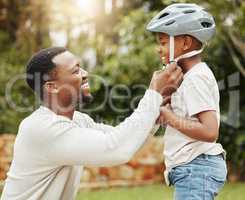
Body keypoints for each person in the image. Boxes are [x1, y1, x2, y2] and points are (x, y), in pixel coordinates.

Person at [1, 47, 183, 200]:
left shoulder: (78, 121)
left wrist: (156, 108)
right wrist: (153, 94)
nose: (85, 74)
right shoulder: (41, 128)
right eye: (75, 70)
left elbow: (127, 141)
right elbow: (116, 149)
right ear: (52, 87)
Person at [147, 3, 227, 200]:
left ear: (185, 43)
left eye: (164, 42)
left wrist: (169, 116)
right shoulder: (186, 77)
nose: (159, 49)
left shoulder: (195, 78)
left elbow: (210, 131)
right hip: (194, 168)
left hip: (197, 167)